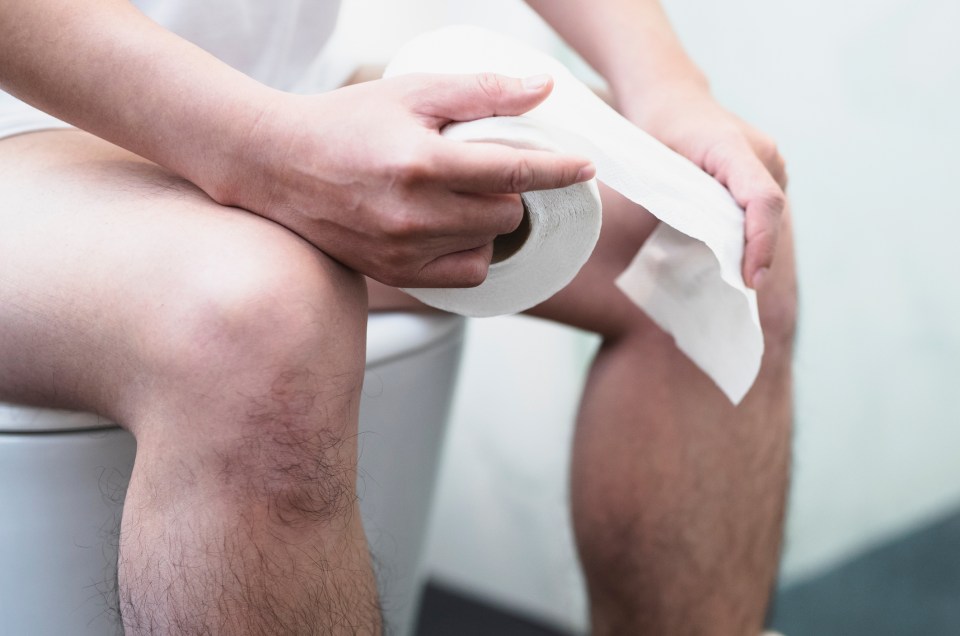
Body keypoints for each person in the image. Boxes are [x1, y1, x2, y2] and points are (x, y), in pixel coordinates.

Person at [0, 0, 795, 633]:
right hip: (27, 127)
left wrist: (667, 89)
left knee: (708, 231)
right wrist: (263, 151)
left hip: (286, 85)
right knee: (255, 318)